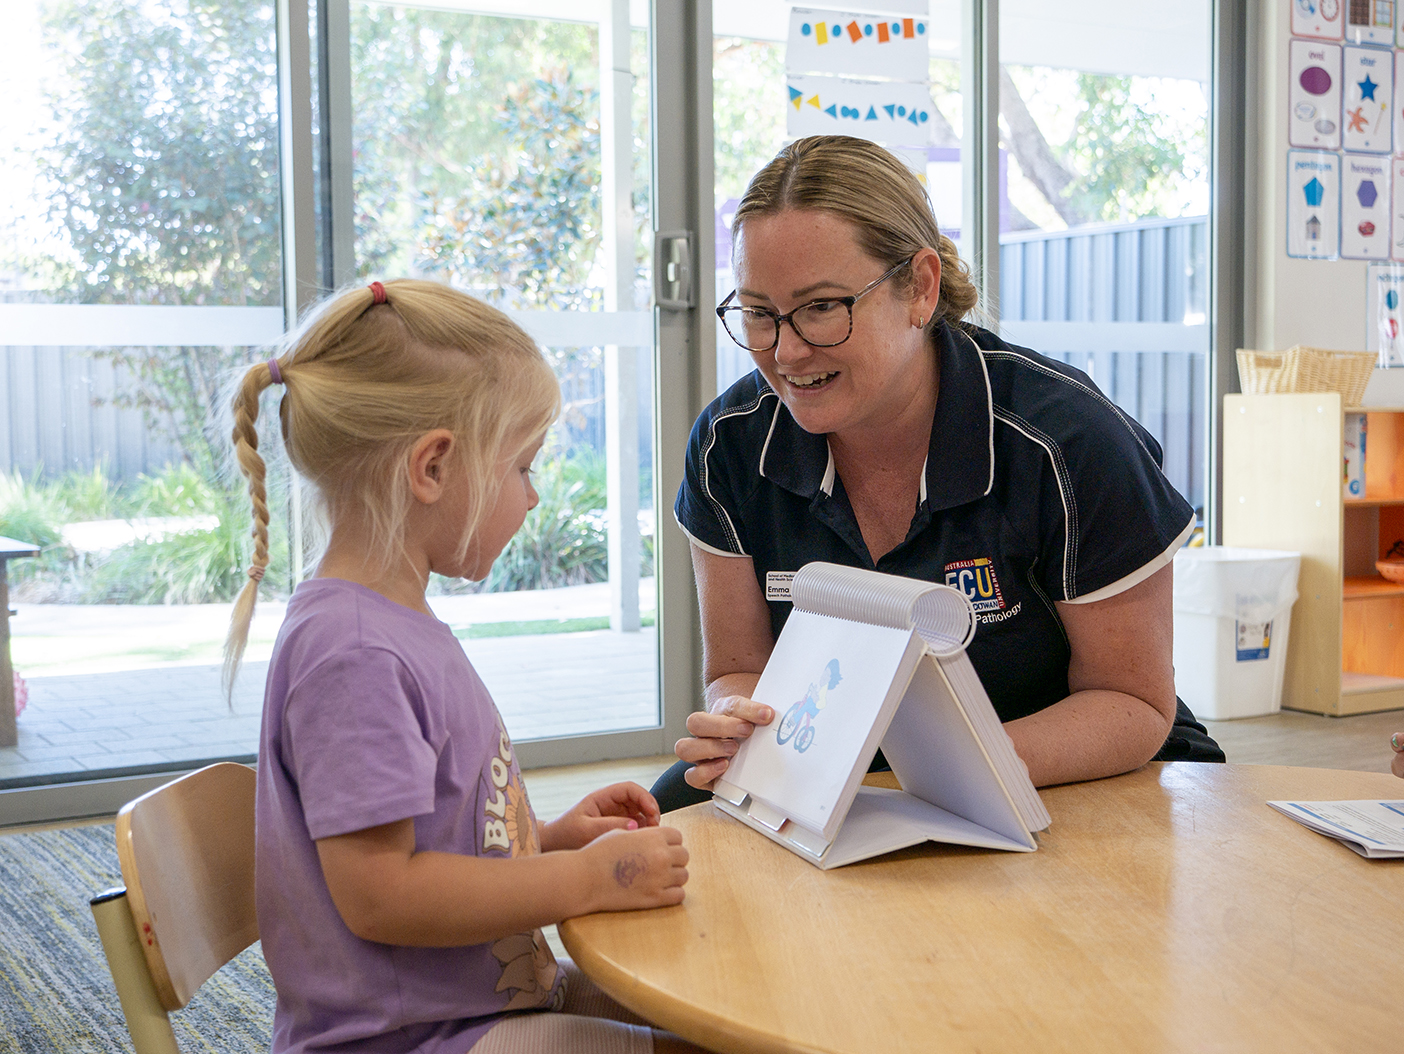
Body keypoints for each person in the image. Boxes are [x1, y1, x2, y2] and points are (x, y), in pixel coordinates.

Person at [655, 135, 1223, 812]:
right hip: (840, 771)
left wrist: (938, 781)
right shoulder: (729, 446)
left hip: (1073, 766)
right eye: (757, 312)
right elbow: (736, 668)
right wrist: (739, 720)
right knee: (670, 812)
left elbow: (1131, 703)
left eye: (822, 307)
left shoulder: (1066, 442)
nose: (786, 350)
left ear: (920, 288)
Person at [224, 279, 699, 1054]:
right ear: (434, 467)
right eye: (522, 467)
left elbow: (436, 849)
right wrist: (590, 880)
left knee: (696, 1008)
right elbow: (383, 895)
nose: (534, 495)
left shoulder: (388, 625)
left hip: (472, 1006)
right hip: (411, 1039)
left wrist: (551, 840)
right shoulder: (354, 654)